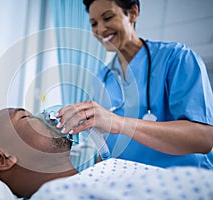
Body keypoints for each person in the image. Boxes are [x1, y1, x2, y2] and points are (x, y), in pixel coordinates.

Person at [55, 0, 213, 168]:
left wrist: (118, 123)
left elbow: (204, 139)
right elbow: (108, 147)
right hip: (130, 184)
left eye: (108, 17)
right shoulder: (103, 79)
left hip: (181, 181)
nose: (100, 29)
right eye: (94, 24)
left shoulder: (176, 58)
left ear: (133, 13)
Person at [0, 108, 213, 199]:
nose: (45, 114)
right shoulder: (57, 195)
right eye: (27, 117)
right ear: (3, 159)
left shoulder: (94, 175)